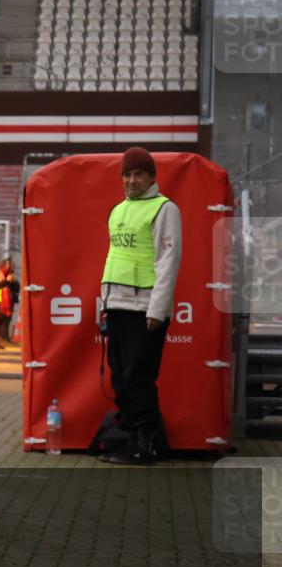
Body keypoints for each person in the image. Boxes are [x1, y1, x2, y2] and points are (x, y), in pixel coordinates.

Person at [99, 146, 181, 465]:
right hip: (118, 306)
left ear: (151, 177)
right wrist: (105, 304)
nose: (132, 180)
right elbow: (114, 259)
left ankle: (148, 444)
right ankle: (133, 440)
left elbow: (168, 262)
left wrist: (157, 310)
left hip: (145, 309)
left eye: (139, 174)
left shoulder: (165, 209)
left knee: (139, 379)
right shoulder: (118, 210)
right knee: (120, 378)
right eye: (128, 174)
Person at [0, 257, 18, 348]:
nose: (13, 268)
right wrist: (6, 281)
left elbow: (16, 288)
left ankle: (3, 340)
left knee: (5, 321)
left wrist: (12, 282)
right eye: (11, 266)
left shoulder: (10, 276)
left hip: (6, 302)